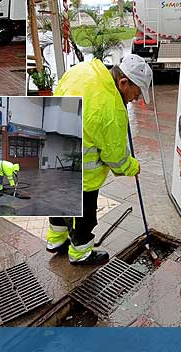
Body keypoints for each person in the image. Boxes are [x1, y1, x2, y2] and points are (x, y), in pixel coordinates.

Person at [46, 54, 150, 265]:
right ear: (123, 83)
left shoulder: (84, 69)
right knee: (85, 217)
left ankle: (56, 241)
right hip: (81, 173)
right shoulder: (111, 109)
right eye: (136, 93)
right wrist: (133, 167)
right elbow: (115, 158)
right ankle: (81, 253)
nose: (135, 99)